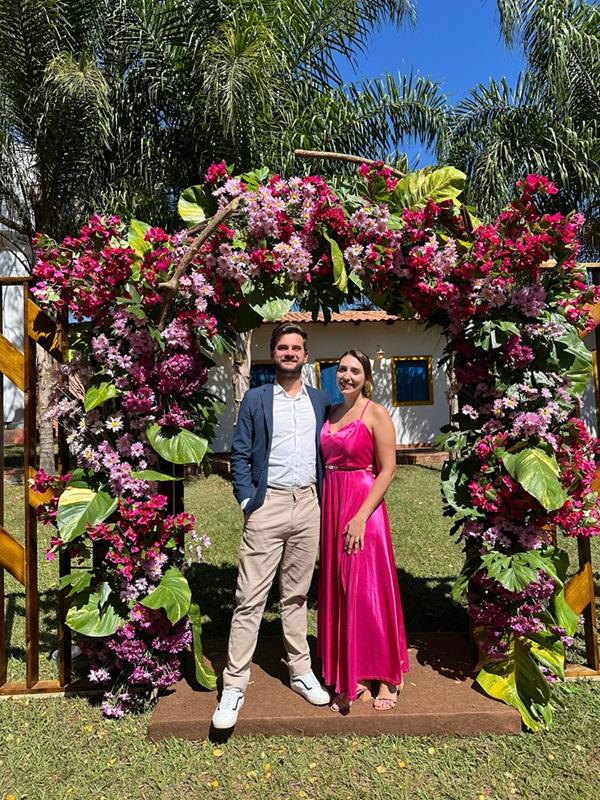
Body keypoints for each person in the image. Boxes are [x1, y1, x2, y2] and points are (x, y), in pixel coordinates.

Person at [212, 322, 331, 729]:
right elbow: (240, 453)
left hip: (308, 504)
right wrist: (248, 500)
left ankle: (300, 671)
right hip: (268, 505)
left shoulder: (320, 400)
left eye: (296, 347)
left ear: (306, 355)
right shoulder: (257, 399)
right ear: (273, 353)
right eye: (283, 347)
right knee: (250, 597)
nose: (289, 353)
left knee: (296, 596)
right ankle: (234, 684)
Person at [318, 349, 409, 712]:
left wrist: (359, 516)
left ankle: (386, 676)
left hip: (363, 508)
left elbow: (387, 470)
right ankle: (353, 672)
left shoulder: (376, 412)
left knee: (368, 589)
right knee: (342, 589)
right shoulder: (331, 412)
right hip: (332, 504)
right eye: (341, 369)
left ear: (366, 377)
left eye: (355, 371)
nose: (347, 376)